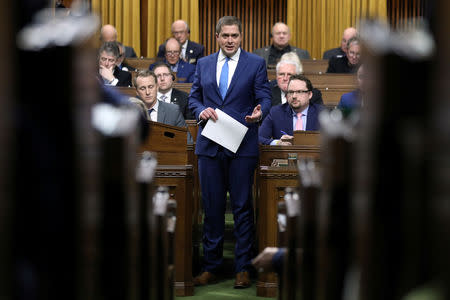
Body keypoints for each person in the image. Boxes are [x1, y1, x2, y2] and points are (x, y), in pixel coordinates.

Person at [188, 16, 272, 289]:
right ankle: (211, 266)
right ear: (217, 37)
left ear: (241, 36)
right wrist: (200, 110)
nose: (230, 40)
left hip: (242, 145)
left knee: (242, 208)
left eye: (234, 36)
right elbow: (193, 97)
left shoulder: (256, 63)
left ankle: (243, 268)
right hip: (210, 145)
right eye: (225, 36)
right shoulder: (203, 63)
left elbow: (264, 96)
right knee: (211, 209)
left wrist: (261, 112)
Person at [259, 74, 323, 145]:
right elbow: (259, 138)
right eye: (291, 92)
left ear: (310, 94)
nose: (294, 96)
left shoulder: (322, 114)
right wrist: (277, 143)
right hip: (285, 155)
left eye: (299, 92)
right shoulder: (276, 113)